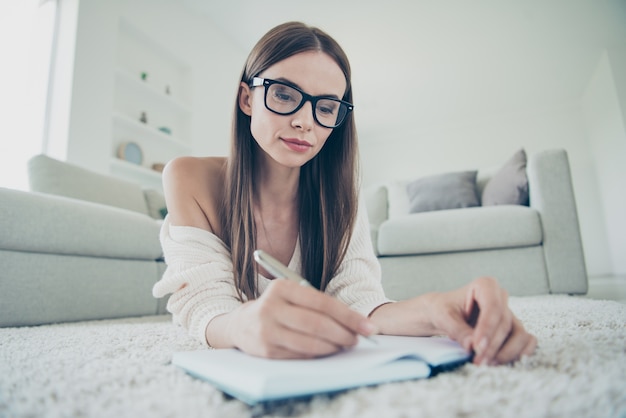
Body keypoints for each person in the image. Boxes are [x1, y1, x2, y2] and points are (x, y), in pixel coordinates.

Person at [152, 21, 536, 365]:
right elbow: (206, 307)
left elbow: (360, 302)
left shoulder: (338, 192)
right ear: (247, 98)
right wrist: (242, 327)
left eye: (326, 106)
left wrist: (436, 309)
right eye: (284, 95)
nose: (305, 122)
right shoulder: (189, 177)